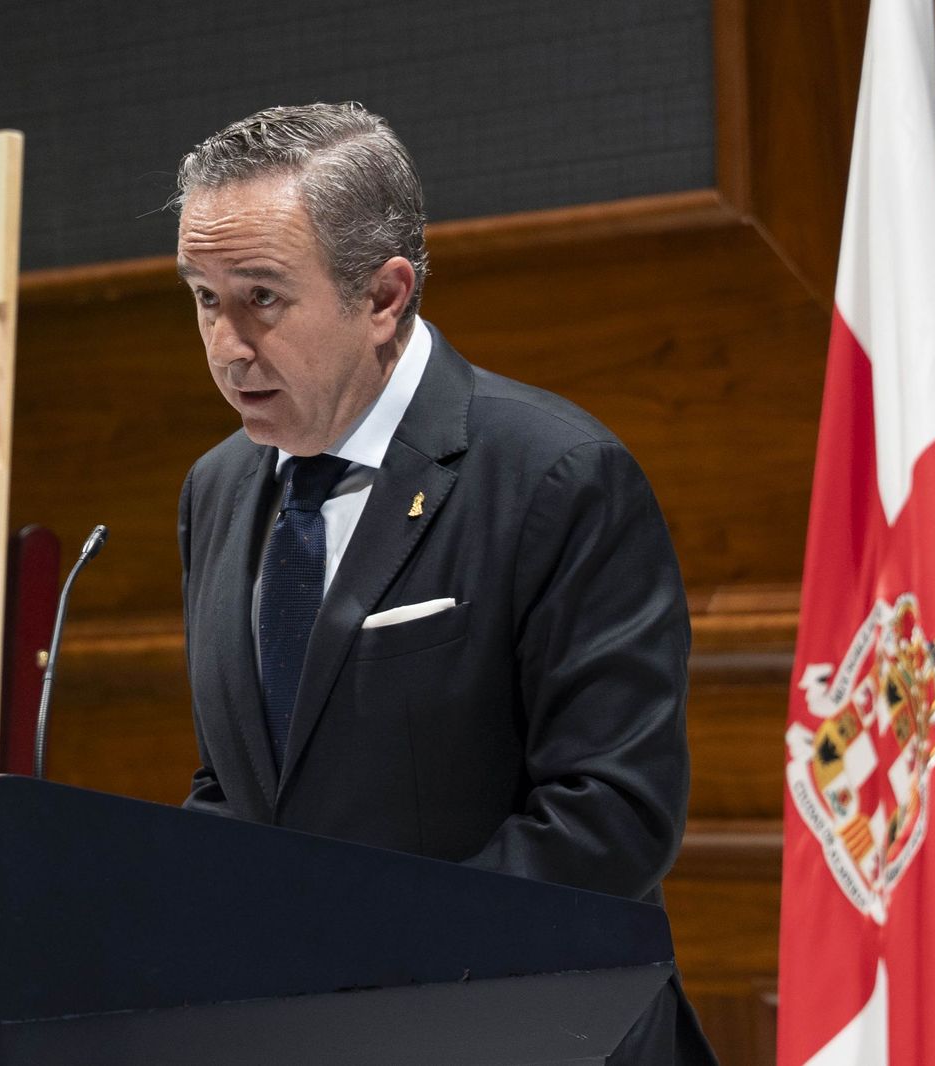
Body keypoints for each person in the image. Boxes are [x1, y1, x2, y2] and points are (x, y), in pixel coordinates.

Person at [173, 103, 716, 1063]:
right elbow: (246, 781)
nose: (226, 344)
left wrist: (371, 965)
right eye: (205, 298)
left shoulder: (557, 475)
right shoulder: (216, 488)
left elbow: (610, 817)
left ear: (385, 296)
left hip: (530, 1033)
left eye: (261, 296)